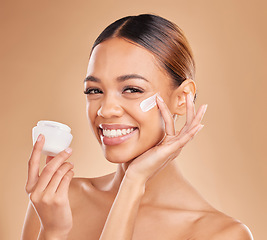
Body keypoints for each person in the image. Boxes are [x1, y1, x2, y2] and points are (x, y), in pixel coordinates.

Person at [21, 14, 253, 240]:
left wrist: (133, 183)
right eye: (94, 90)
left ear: (182, 98)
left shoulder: (221, 234)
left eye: (132, 89)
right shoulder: (57, 202)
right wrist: (53, 232)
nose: (106, 110)